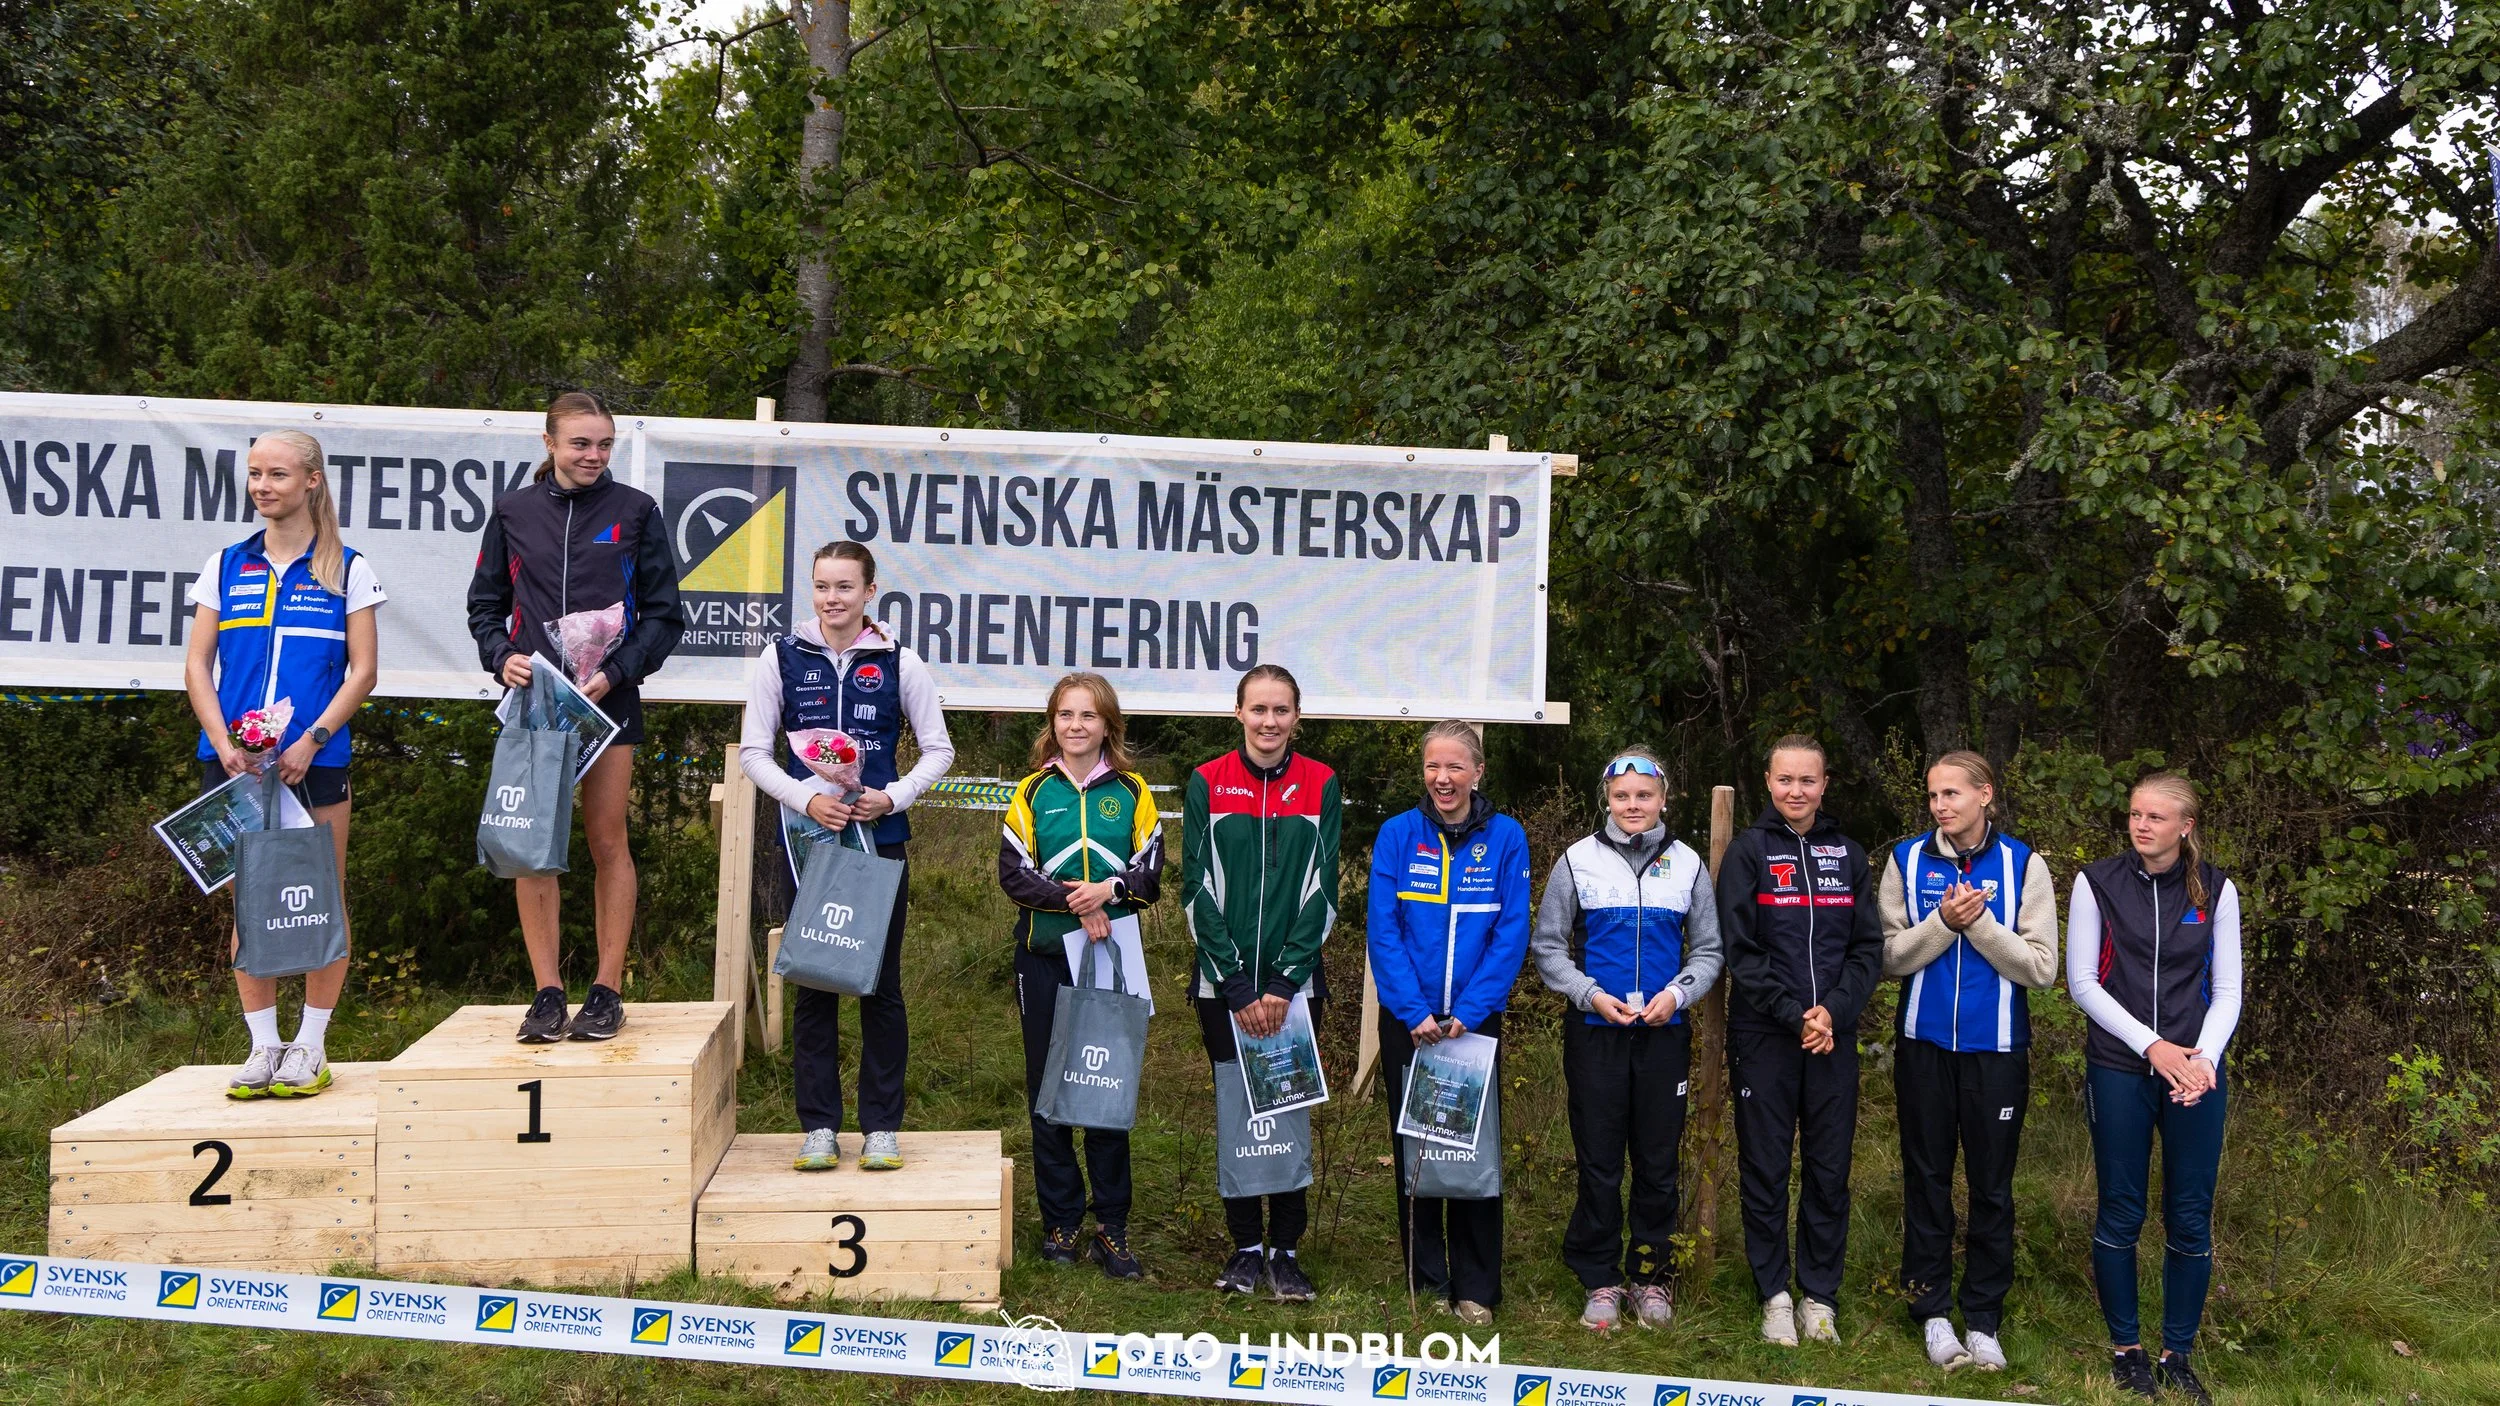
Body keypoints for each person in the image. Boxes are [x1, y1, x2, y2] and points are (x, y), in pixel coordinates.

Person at [466, 391, 683, 1045]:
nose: (593, 455)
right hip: (537, 704)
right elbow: (484, 604)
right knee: (534, 851)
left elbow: (665, 616)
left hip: (607, 701)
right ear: (550, 443)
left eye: (604, 444)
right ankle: (547, 994)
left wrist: (615, 673)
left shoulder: (635, 511)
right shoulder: (512, 512)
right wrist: (501, 655)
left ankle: (607, 990)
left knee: (606, 841)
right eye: (580, 443)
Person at [738, 542, 954, 1172]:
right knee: (814, 984)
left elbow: (938, 751)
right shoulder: (781, 657)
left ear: (870, 592)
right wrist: (807, 799)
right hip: (809, 845)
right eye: (822, 587)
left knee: (881, 986)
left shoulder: (900, 662)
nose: (833, 599)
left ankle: (881, 1126)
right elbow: (755, 752)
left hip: (878, 845)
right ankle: (820, 1128)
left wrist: (892, 796)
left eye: (845, 587)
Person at [182, 428, 384, 1099]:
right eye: (255, 475)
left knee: (320, 898)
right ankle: (264, 1046)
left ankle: (312, 1045)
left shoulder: (348, 568)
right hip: (235, 766)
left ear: (312, 481)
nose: (263, 487)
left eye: (277, 475)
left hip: (312, 764)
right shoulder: (226, 564)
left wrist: (312, 740)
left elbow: (363, 672)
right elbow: (196, 666)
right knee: (248, 905)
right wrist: (224, 743)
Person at [1878, 750, 2058, 1372]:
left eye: (1952, 794)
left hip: (1998, 1050)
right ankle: (1931, 1312)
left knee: (1992, 1188)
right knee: (1926, 1179)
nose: (1940, 806)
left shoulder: (2024, 863)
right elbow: (1890, 956)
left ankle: (1983, 1320)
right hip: (1924, 1047)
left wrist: (1976, 924)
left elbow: (2041, 968)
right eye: (1932, 796)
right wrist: (1942, 923)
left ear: (1985, 795)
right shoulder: (1906, 859)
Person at [2067, 773, 2241, 1406]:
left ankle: (2177, 1354)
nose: (2142, 826)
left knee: (2190, 1214)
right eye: (2136, 814)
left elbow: (2227, 991)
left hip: (2196, 1073)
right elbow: (2083, 983)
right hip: (2120, 1067)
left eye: (2157, 818)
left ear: (2185, 826)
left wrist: (2203, 1060)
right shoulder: (2097, 882)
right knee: (2122, 1207)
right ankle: (2126, 1350)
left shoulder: (2217, 890)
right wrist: (2153, 1047)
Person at [1532, 749, 1721, 1332]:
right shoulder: (1575, 861)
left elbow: (1710, 950)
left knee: (1658, 1161)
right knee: (1600, 1160)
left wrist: (1679, 994)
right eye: (1621, 796)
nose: (1632, 805)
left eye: (1644, 795)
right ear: (1606, 800)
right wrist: (1589, 994)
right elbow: (1547, 947)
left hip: (1664, 1034)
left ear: (1664, 799)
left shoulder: (1688, 864)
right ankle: (1600, 1278)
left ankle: (1650, 1276)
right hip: (1596, 1034)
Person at [1717, 733, 1883, 1347]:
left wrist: (1831, 1014)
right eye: (1785, 780)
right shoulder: (1748, 852)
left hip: (1832, 1035)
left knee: (1828, 1168)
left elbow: (1868, 949)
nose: (1796, 791)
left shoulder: (1850, 853)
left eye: (1807, 780)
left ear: (1825, 784)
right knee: (1764, 1166)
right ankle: (1775, 1296)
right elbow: (1742, 950)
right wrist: (1796, 1014)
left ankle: (1819, 1295)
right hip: (1766, 1031)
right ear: (1768, 781)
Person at [1183, 663, 1342, 1302]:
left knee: (1287, 1109)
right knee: (1239, 1113)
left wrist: (1282, 983)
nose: (1269, 721)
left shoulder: (1322, 783)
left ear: (1296, 718)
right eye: (1258, 709)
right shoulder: (1207, 781)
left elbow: (1324, 889)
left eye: (1281, 711)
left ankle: (1287, 1249)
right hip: (1224, 988)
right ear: (1239, 714)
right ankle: (1246, 1246)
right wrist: (1239, 987)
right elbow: (1195, 887)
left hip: (1294, 987)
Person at [997, 673, 1162, 1277]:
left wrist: (1109, 891)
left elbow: (1150, 877)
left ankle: (1111, 1228)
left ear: (1108, 726)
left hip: (1109, 961)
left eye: (1088, 716)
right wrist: (1083, 903)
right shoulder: (1032, 791)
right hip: (1043, 958)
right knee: (1048, 1093)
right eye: (1066, 715)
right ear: (1053, 723)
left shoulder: (1133, 791)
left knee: (1104, 1089)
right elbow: (1013, 873)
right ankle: (1061, 1222)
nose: (1076, 726)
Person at [1369, 720, 1532, 1327]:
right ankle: (1427, 1277)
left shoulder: (1508, 838)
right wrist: (1413, 1012)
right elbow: (1383, 931)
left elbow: (1511, 932)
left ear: (1478, 772)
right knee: (1414, 1142)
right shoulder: (1397, 834)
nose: (1443, 778)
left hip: (1474, 1022)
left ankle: (1475, 1286)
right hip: (1409, 1022)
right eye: (1434, 767)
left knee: (1472, 1148)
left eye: (1456, 767)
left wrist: (1471, 1012)